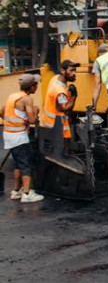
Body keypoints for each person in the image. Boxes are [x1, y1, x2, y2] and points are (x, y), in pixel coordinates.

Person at [3, 74, 43, 202]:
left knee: (18, 164)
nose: (37, 86)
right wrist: (36, 112)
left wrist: (16, 121)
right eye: (36, 84)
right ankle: (26, 194)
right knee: (26, 164)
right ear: (31, 87)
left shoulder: (12, 96)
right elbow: (32, 120)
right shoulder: (26, 99)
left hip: (9, 134)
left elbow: (1, 112)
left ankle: (16, 191)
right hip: (19, 136)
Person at [41, 59, 79, 140]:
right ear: (62, 70)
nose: (74, 73)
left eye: (75, 71)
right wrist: (74, 96)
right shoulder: (59, 91)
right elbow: (64, 108)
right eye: (71, 71)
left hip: (50, 126)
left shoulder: (55, 78)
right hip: (57, 129)